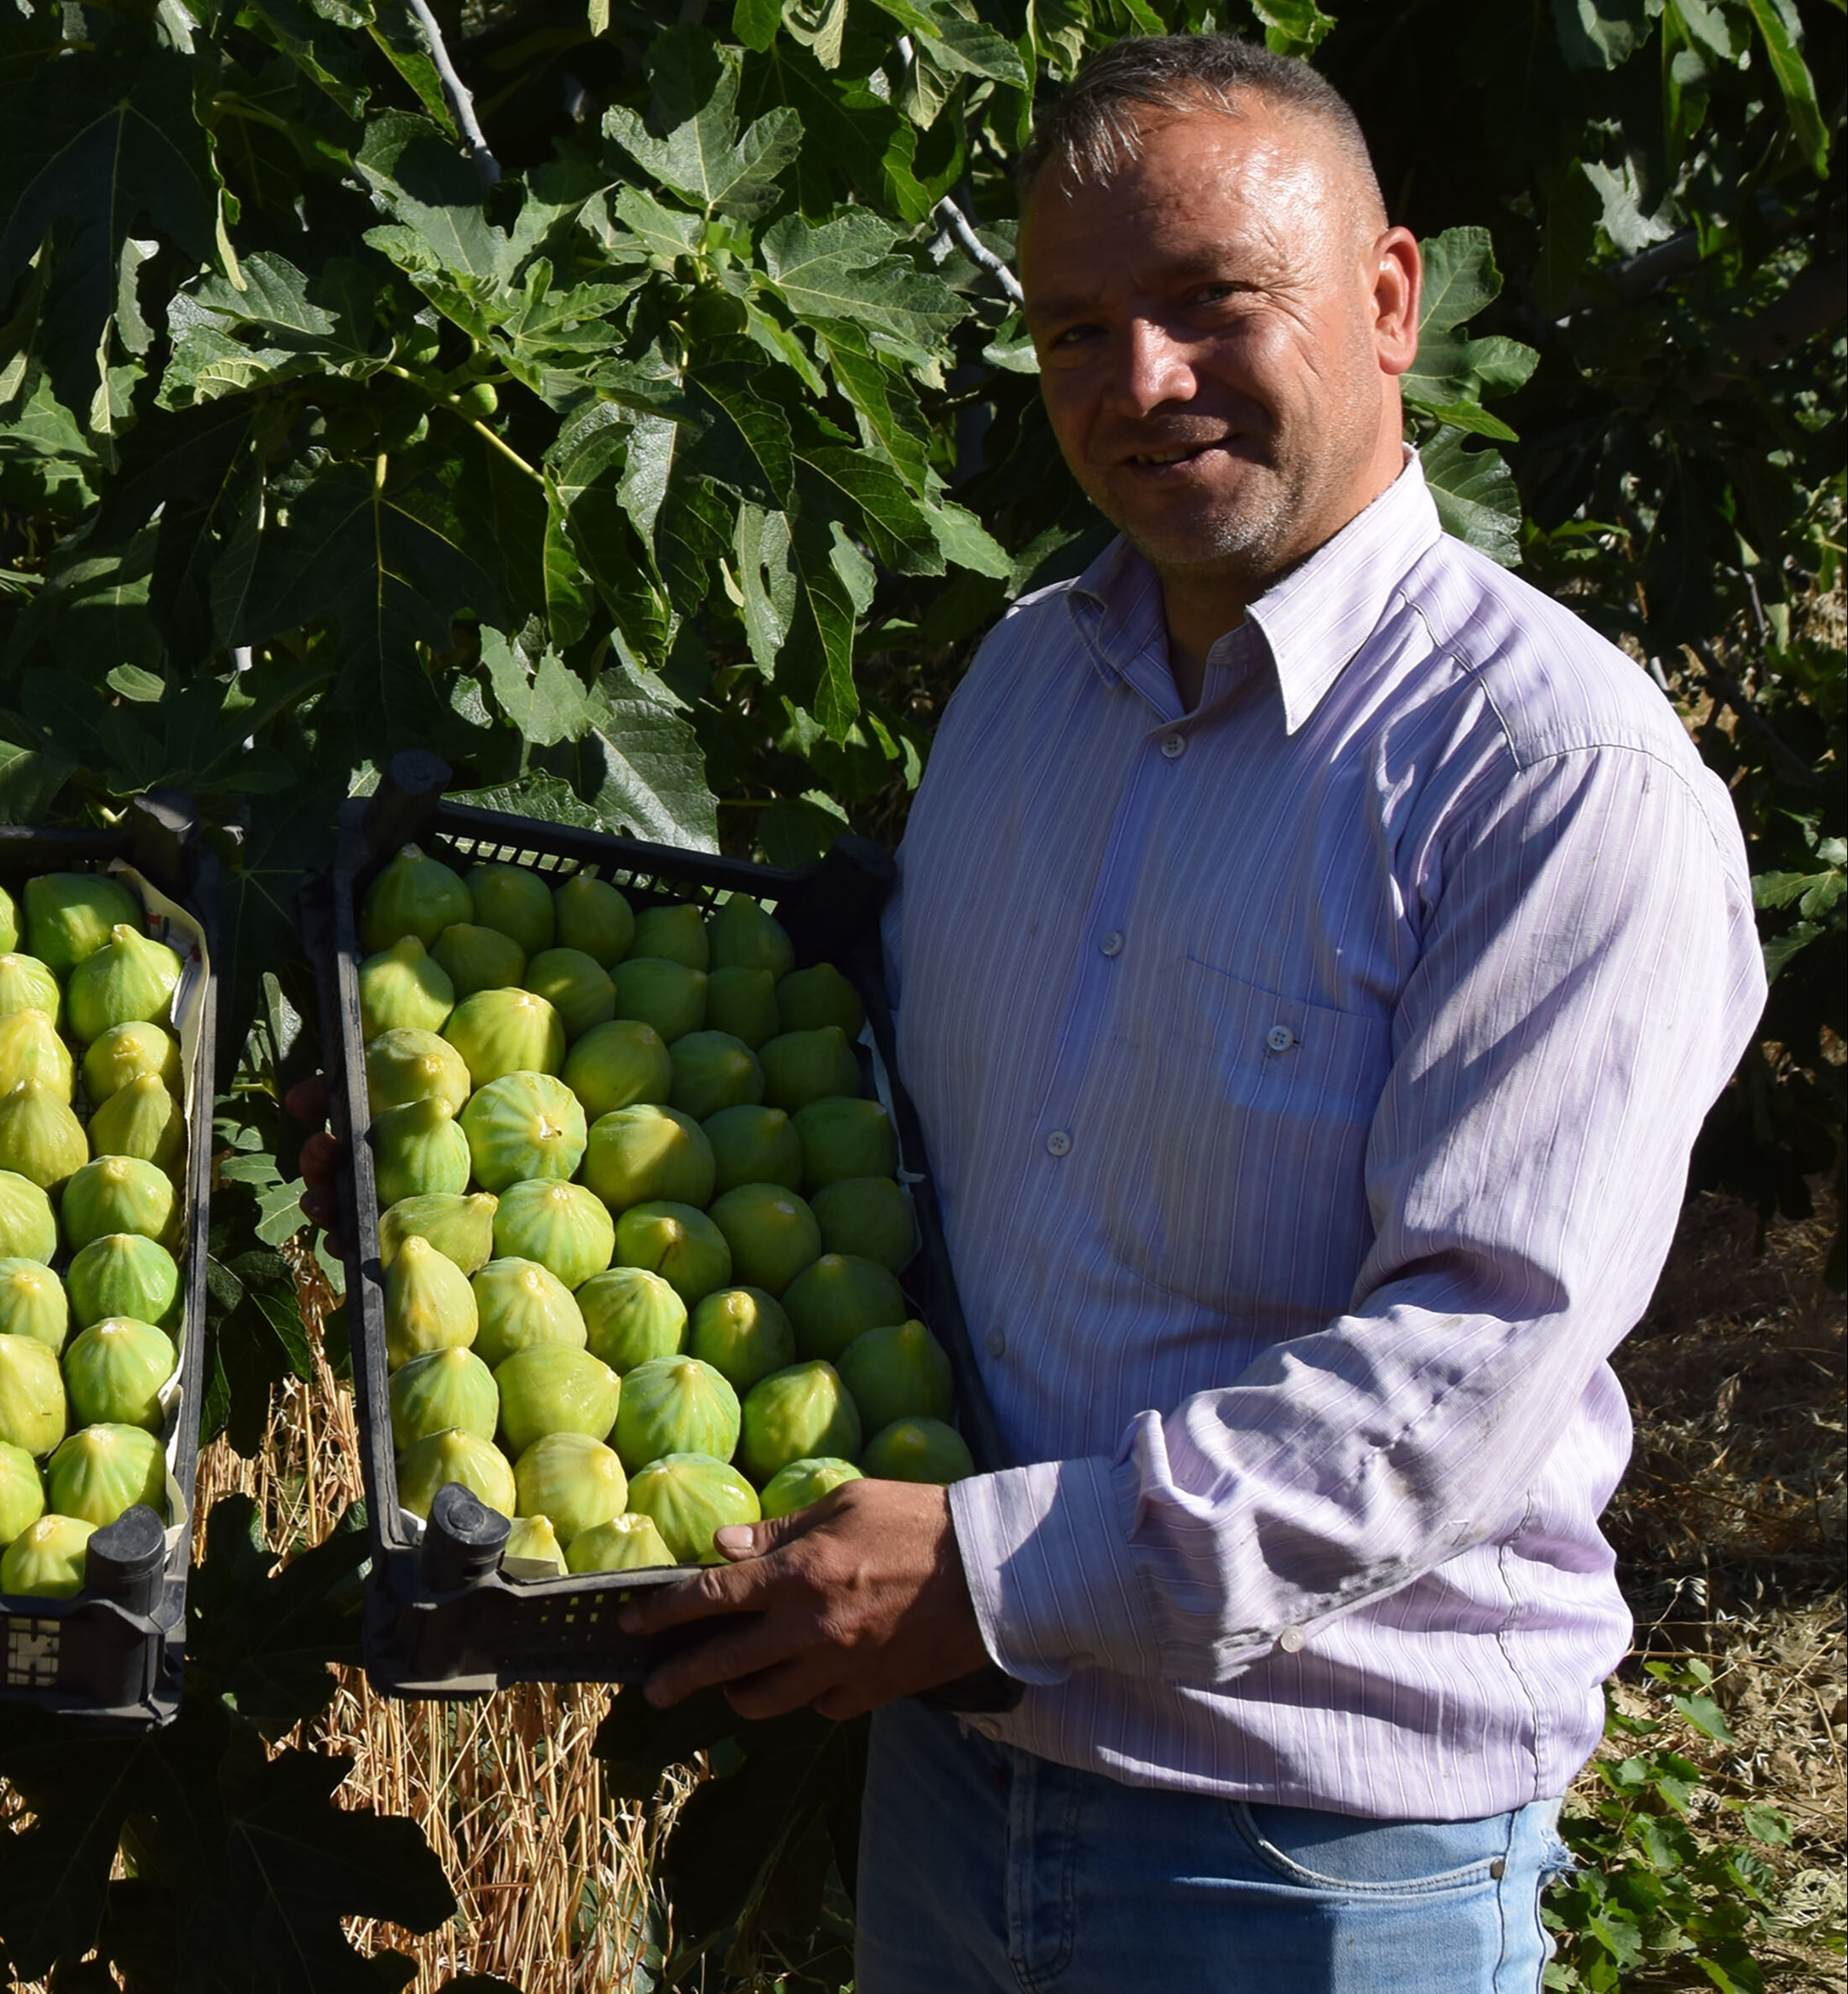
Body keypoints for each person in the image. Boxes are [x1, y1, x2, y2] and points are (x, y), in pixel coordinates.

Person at [612, 35, 1765, 1991]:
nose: (1136, 386)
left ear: (1385, 298)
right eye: (1073, 333)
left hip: (1301, 1860)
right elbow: (885, 1136)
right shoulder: (1015, 691)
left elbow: (1456, 1378)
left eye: (1207, 305)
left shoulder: (1549, 777)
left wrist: (987, 1578)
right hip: (953, 1790)